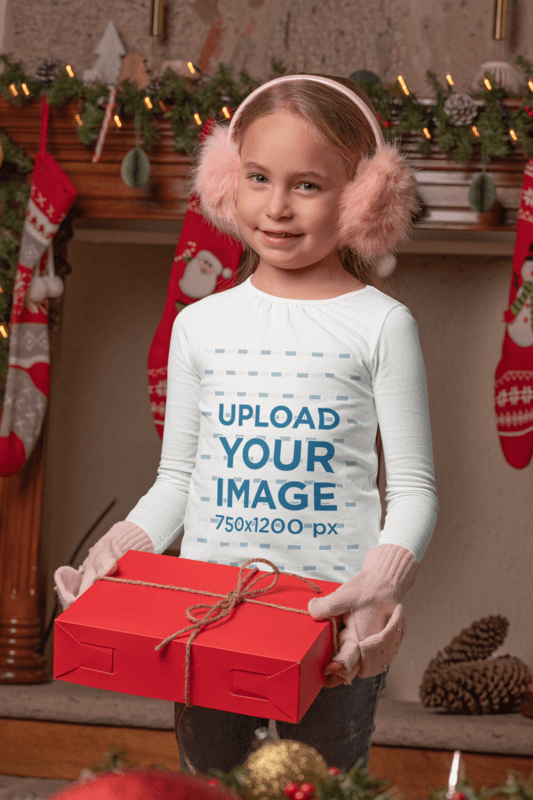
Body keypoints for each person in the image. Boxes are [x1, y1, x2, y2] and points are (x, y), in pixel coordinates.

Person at [55, 73, 438, 776]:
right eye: (259, 177)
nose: (277, 208)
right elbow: (178, 478)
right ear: (230, 179)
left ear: (362, 197)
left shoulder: (382, 324)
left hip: (329, 623)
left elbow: (412, 490)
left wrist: (378, 585)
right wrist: (125, 544)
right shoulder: (201, 325)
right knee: (213, 784)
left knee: (320, 787)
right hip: (208, 616)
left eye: (308, 185)